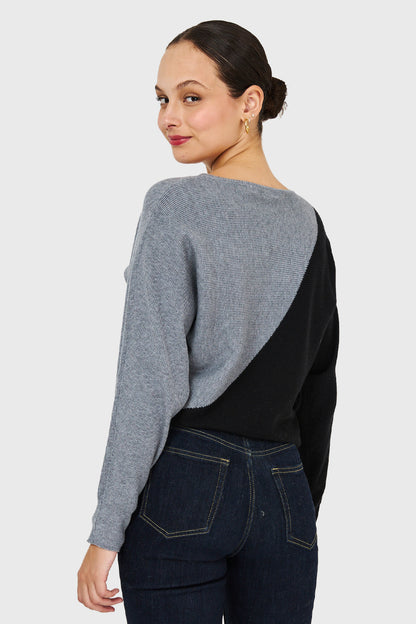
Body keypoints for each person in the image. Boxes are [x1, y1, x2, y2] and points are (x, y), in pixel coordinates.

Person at [77, 19, 340, 623]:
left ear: (250, 103)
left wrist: (105, 530)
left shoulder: (174, 205)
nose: (170, 117)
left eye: (191, 98)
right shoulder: (310, 225)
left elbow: (149, 380)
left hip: (187, 483)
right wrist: (296, 512)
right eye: (162, 99)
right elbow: (318, 389)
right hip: (286, 487)